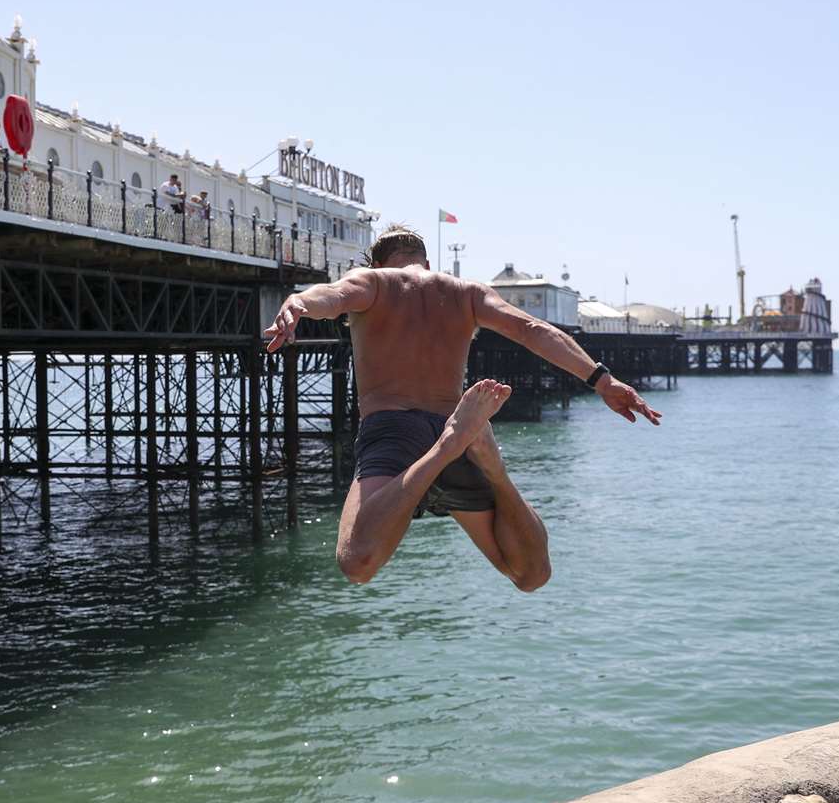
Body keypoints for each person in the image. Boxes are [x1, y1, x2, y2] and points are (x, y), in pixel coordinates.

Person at [263, 224, 662, 594]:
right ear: (427, 262)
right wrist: (601, 380)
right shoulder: (465, 292)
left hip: (394, 429)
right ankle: (491, 467)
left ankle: (445, 449)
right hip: (457, 422)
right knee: (530, 575)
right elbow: (532, 330)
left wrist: (298, 303)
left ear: (378, 263)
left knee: (358, 563)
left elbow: (331, 297)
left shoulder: (373, 282)